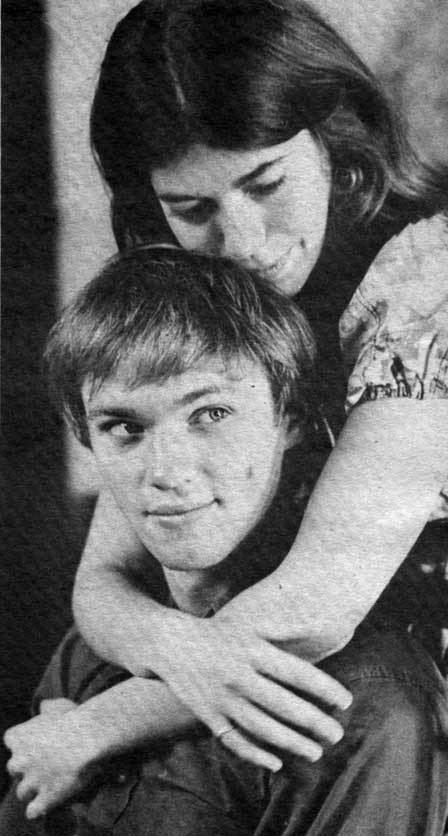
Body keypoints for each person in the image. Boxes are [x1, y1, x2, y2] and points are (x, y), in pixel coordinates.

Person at [70, 0, 448, 770]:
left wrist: (99, 727)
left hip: (397, 683)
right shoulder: (198, 290)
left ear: (335, 139)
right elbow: (103, 580)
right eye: (193, 208)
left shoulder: (430, 280)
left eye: (266, 182)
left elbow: (317, 607)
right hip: (253, 662)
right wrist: (172, 648)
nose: (241, 244)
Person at [2, 248, 448, 835]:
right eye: (124, 428)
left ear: (289, 419)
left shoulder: (357, 704)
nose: (166, 469)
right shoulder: (101, 645)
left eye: (210, 414)